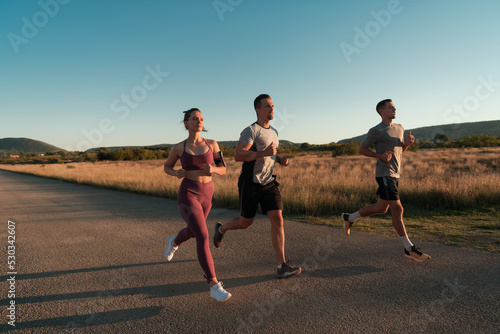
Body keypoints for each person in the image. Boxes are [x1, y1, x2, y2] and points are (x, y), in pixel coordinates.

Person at [213, 94, 302, 278]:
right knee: (245, 223)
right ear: (258, 109)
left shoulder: (274, 131)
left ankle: (281, 266)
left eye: (273, 106)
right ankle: (221, 229)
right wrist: (264, 153)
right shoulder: (250, 131)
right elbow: (238, 155)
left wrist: (279, 159)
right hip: (250, 183)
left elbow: (271, 153)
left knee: (278, 219)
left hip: (269, 183)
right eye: (268, 106)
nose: (272, 109)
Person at [341, 99, 431, 262]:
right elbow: (362, 149)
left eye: (394, 107)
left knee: (381, 208)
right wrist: (379, 156)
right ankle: (409, 248)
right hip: (384, 173)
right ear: (381, 111)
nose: (394, 109)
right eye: (390, 107)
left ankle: (349, 218)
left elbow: (399, 151)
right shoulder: (376, 130)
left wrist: (408, 144)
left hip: (395, 174)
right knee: (398, 208)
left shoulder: (400, 128)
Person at [163, 108, 231, 302]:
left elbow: (224, 169)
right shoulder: (178, 148)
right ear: (186, 123)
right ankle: (213, 284)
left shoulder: (212, 144)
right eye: (194, 119)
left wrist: (214, 169)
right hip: (188, 194)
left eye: (201, 119)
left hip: (207, 194)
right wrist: (175, 172)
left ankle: (174, 242)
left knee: (193, 232)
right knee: (202, 235)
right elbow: (166, 167)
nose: (199, 121)